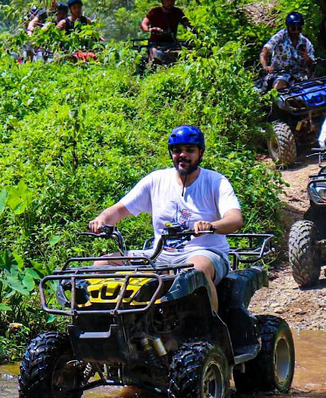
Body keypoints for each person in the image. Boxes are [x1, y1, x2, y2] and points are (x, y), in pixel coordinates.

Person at [88, 125, 243, 312]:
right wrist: (102, 219)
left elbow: (235, 219)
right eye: (177, 151)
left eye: (190, 150)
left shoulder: (215, 181)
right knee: (100, 265)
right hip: (159, 255)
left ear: (200, 153)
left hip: (204, 252)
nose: (182, 155)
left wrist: (211, 226)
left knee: (196, 271)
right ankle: (112, 325)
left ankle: (210, 330)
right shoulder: (156, 180)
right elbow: (120, 210)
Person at [259, 11, 315, 90]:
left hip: (300, 75)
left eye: (299, 28)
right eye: (293, 28)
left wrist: (306, 57)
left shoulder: (305, 42)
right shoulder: (280, 37)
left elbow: (311, 63)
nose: (296, 31)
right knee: (280, 90)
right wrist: (265, 66)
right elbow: (264, 51)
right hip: (280, 74)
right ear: (288, 27)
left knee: (316, 86)